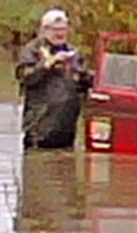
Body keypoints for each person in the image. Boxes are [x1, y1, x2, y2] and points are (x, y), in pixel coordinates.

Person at [16, 8, 93, 150]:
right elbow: (25, 77)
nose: (60, 34)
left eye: (63, 29)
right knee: (40, 160)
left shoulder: (74, 53)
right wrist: (48, 63)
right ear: (44, 30)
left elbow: (85, 81)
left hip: (67, 130)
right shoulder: (32, 51)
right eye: (55, 30)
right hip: (39, 130)